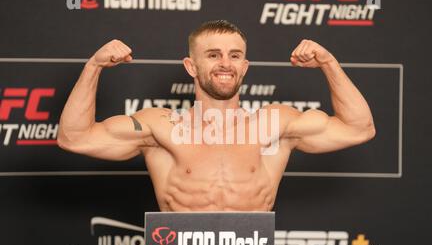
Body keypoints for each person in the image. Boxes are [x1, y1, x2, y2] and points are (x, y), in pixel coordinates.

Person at [57, 20, 376, 213]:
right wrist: (93, 67)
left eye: (234, 55)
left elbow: (358, 128)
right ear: (191, 66)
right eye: (213, 55)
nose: (226, 63)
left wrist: (329, 63)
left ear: (245, 67)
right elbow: (74, 137)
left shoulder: (273, 125)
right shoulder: (161, 127)